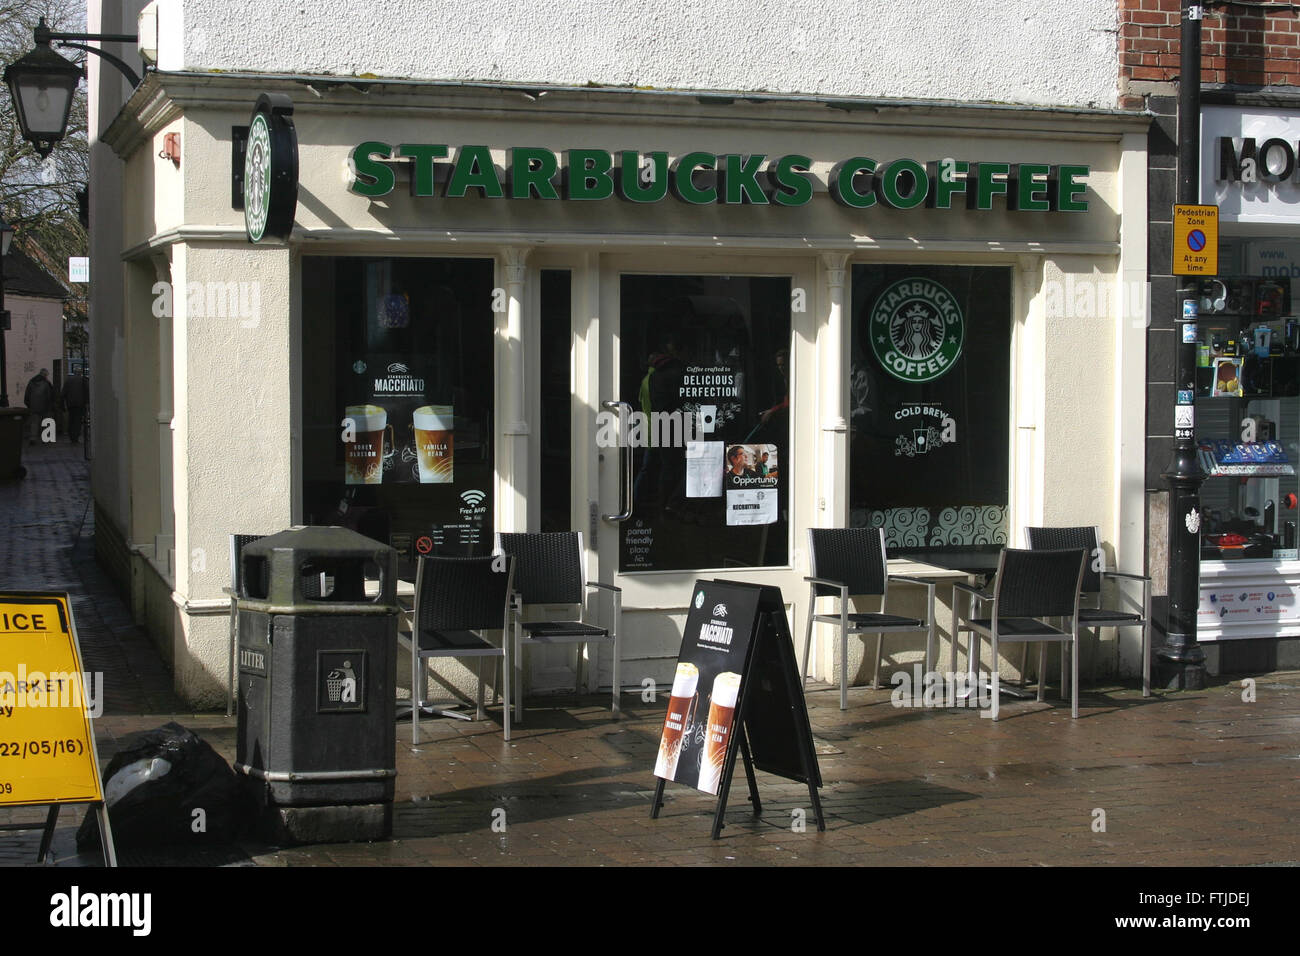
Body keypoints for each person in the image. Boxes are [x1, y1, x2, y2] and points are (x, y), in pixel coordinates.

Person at [23, 369, 55, 445]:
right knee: (45, 421)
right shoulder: (46, 383)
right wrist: (50, 405)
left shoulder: (31, 382)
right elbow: (49, 396)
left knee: (34, 422)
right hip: (44, 406)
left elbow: (27, 394)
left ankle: (33, 438)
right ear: (45, 375)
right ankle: (45, 438)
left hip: (33, 405)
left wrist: (28, 404)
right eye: (46, 375)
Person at [62, 370, 88, 444]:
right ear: (80, 374)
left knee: (71, 419)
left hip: (70, 404)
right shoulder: (83, 380)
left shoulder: (68, 380)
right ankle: (75, 437)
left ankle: (71, 436)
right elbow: (87, 391)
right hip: (80, 404)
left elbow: (63, 393)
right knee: (78, 421)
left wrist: (63, 403)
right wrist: (87, 402)